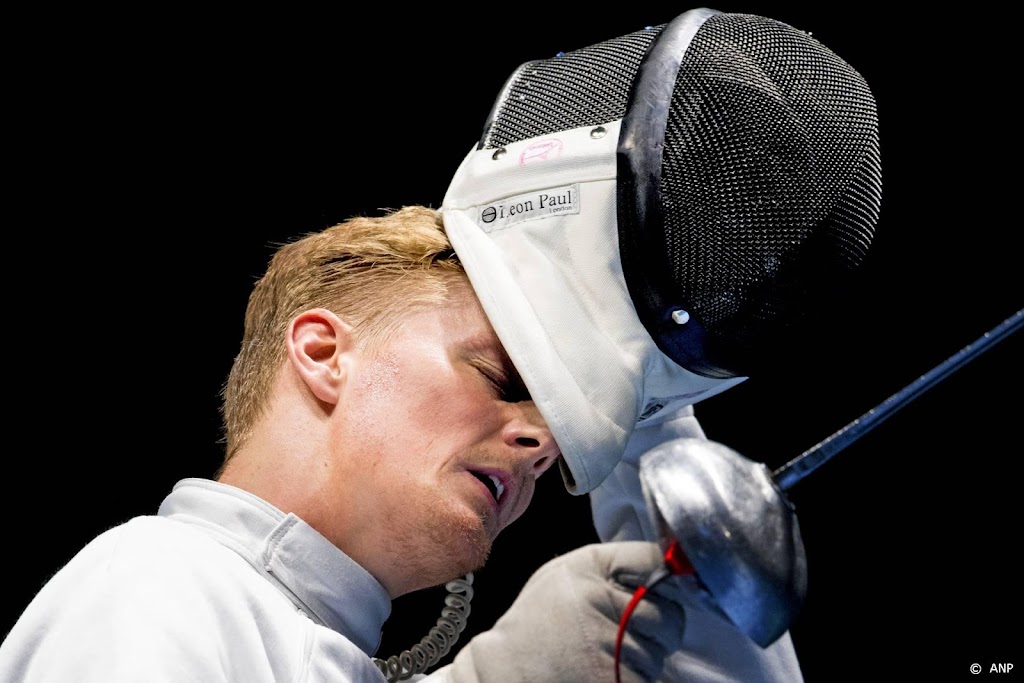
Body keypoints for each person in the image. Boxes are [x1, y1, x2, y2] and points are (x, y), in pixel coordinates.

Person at [2, 7, 881, 682]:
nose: (540, 446)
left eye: (555, 451)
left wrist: (650, 436)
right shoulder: (158, 576)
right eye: (501, 373)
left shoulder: (326, 648)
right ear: (322, 352)